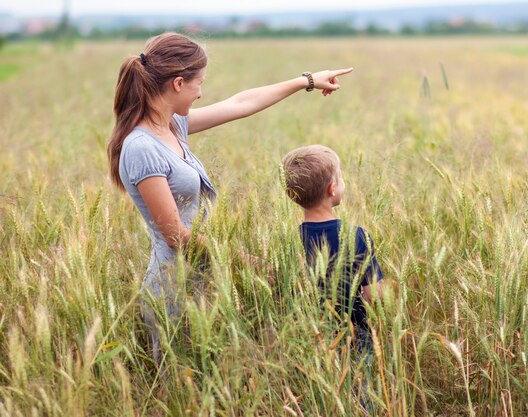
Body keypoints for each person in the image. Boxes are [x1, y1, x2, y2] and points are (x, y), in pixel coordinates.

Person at [107, 32, 352, 362]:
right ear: (178, 83)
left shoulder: (171, 126)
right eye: (199, 84)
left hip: (204, 280)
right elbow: (176, 236)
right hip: (174, 290)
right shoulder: (141, 148)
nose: (201, 93)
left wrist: (306, 81)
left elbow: (240, 104)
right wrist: (249, 264)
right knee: (181, 390)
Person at [281, 145, 385, 353]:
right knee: (357, 384)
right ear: (332, 188)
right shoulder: (356, 236)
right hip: (356, 336)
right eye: (341, 177)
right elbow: (375, 294)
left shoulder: (290, 241)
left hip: (307, 337)